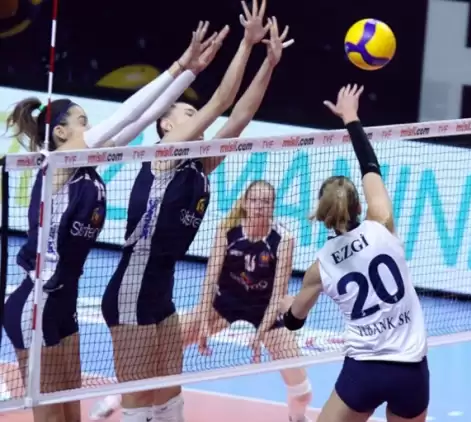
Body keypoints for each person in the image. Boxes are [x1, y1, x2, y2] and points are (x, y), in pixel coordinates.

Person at [2, 21, 219, 422]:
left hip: (63, 304)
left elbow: (140, 119)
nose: (91, 128)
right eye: (83, 121)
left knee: (72, 415)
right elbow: (125, 114)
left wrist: (188, 71)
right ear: (61, 132)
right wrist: (178, 68)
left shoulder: (87, 165)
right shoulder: (57, 166)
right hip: (36, 303)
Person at [99, 2, 292, 421]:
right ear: (168, 126)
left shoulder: (200, 165)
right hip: (131, 289)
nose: (197, 117)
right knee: (137, 401)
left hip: (161, 290)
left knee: (169, 392)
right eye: (188, 112)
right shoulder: (164, 155)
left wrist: (269, 63)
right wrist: (246, 43)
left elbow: (240, 116)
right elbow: (222, 100)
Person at [93, 181, 312, 422]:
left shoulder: (283, 239)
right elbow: (210, 279)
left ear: (273, 206)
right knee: (162, 347)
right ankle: (118, 397)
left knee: (302, 391)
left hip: (264, 309)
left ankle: (297, 418)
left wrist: (261, 333)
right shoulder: (227, 231)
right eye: (254, 200)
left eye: (266, 202)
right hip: (224, 303)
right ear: (245, 203)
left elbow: (278, 294)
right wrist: (204, 321)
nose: (259, 206)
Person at [280, 84, 429, 422]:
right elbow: (370, 166)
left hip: (364, 371)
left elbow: (294, 322)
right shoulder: (382, 225)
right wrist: (351, 117)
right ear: (359, 206)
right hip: (410, 370)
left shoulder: (320, 267)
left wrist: (287, 307)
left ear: (322, 213)